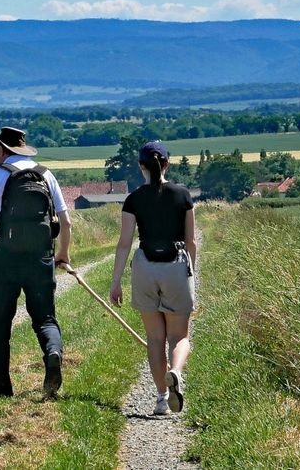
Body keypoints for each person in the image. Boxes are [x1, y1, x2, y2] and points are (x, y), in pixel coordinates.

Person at [0, 126, 72, 398]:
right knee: (45, 317)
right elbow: (65, 221)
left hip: (5, 258)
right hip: (41, 256)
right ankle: (53, 352)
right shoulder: (46, 175)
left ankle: (1, 391)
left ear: (1, 149)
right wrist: (63, 254)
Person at [109, 140, 197, 415]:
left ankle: (161, 398)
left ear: (140, 167)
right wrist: (191, 272)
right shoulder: (183, 195)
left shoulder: (133, 199)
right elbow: (191, 241)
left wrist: (116, 281)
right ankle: (176, 372)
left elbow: (124, 243)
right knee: (180, 337)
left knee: (155, 338)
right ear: (167, 163)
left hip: (145, 266)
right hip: (175, 265)